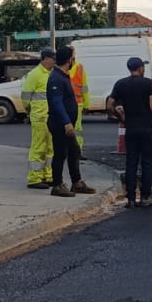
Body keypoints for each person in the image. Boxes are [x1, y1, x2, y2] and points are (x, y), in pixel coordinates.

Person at [108, 55, 152, 207]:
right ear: (141, 68)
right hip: (147, 129)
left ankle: (131, 199)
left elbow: (110, 105)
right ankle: (145, 197)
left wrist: (120, 117)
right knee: (147, 163)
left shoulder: (120, 84)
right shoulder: (148, 84)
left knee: (131, 163)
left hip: (131, 129)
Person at [47, 46, 93, 197]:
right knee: (60, 153)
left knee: (74, 151)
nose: (74, 60)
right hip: (60, 123)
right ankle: (57, 185)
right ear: (69, 60)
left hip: (66, 123)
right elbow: (57, 103)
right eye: (73, 58)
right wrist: (67, 122)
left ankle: (76, 182)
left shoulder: (63, 76)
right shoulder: (56, 78)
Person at [22, 49, 55, 188]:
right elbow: (25, 98)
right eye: (53, 59)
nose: (54, 61)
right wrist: (30, 111)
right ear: (45, 59)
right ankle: (34, 178)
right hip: (39, 117)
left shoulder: (51, 74)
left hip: (50, 117)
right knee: (38, 147)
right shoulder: (35, 74)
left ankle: (47, 176)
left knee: (50, 148)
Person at [69, 45, 89, 149]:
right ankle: (74, 150)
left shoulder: (79, 68)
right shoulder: (62, 68)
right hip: (71, 103)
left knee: (77, 129)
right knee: (73, 128)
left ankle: (77, 150)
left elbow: (84, 87)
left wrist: (86, 104)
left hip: (77, 103)